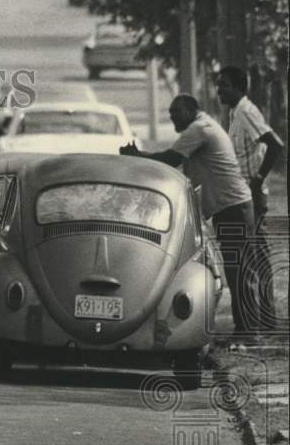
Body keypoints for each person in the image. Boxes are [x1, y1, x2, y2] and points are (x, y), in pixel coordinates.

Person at [120, 94, 262, 336]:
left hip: (233, 207)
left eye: (176, 111)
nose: (171, 116)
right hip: (230, 207)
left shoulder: (199, 129)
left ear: (190, 110)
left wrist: (138, 157)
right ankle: (247, 330)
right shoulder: (202, 126)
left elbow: (171, 160)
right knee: (236, 271)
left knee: (239, 271)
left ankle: (249, 332)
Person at [216, 66, 285, 331]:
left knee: (255, 259)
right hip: (240, 194)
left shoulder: (246, 111)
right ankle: (264, 320)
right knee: (255, 257)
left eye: (224, 85)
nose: (219, 90)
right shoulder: (234, 112)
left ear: (238, 87)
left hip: (251, 196)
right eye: (219, 85)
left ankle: (265, 321)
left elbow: (276, 145)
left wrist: (257, 178)